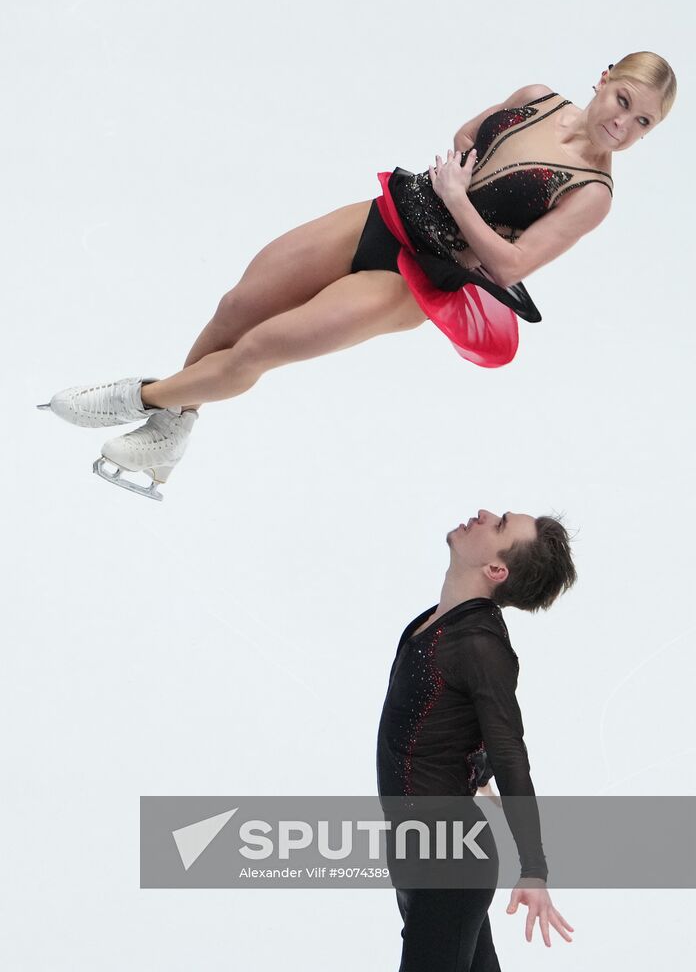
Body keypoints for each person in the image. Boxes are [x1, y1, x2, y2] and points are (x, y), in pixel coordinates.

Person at [38, 53, 676, 499]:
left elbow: (511, 263)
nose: (623, 125)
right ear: (605, 77)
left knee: (263, 346)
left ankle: (136, 397)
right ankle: (171, 431)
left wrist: (459, 201)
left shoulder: (592, 192)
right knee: (238, 307)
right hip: (391, 213)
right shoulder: (537, 97)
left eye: (643, 123)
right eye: (623, 101)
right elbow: (467, 132)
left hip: (419, 277)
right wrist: (457, 171)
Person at [377, 508, 577, 971]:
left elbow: (510, 751)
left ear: (496, 570)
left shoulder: (480, 644)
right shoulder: (438, 622)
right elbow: (450, 719)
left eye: (500, 524)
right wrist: (472, 769)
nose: (484, 514)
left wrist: (534, 867)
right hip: (417, 851)